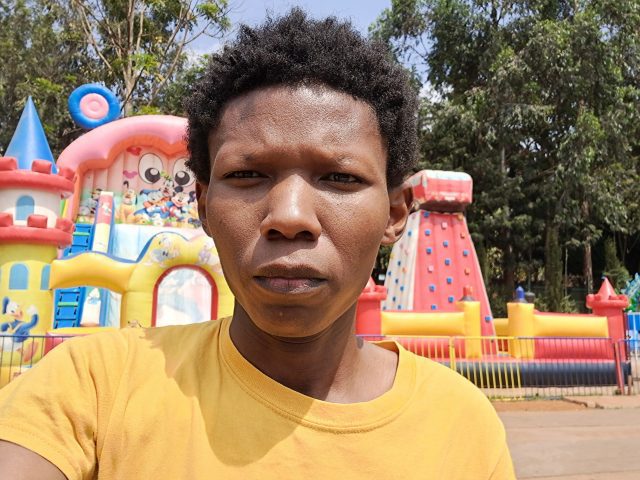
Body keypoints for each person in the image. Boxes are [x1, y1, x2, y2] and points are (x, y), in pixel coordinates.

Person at [0, 9, 515, 479]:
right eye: (247, 174)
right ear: (204, 205)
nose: (289, 217)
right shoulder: (95, 385)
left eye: (339, 178)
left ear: (395, 214)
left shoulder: (461, 425)